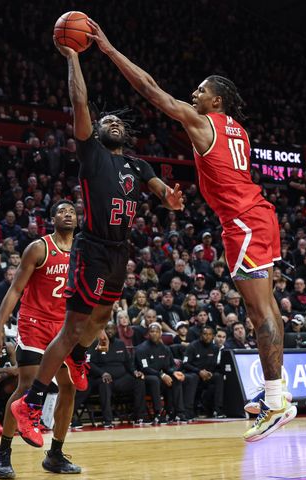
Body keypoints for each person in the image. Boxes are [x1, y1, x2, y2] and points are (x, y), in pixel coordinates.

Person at [88, 20, 295, 442]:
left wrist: (109, 50)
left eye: (201, 90)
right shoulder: (239, 130)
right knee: (269, 308)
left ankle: (275, 403)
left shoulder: (203, 122)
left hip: (242, 222)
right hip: (259, 215)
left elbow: (151, 90)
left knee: (258, 314)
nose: (194, 94)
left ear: (215, 99)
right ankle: (279, 393)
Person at [11, 36, 183, 448]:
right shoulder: (92, 154)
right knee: (72, 327)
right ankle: (31, 405)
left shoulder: (137, 164)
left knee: (102, 318)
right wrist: (73, 57)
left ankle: (80, 358)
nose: (113, 124)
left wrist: (169, 199)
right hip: (92, 246)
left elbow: (159, 189)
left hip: (120, 251)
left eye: (118, 122)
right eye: (107, 122)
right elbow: (81, 104)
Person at [0, 201, 82, 478]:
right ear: (52, 219)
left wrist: (96, 329)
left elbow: (87, 293)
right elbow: (16, 288)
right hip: (34, 323)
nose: (67, 214)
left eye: (72, 212)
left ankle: (55, 454)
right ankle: (3, 452)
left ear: (78, 220)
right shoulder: (39, 248)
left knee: (70, 387)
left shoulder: (82, 251)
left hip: (64, 326)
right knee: (28, 385)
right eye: (61, 211)